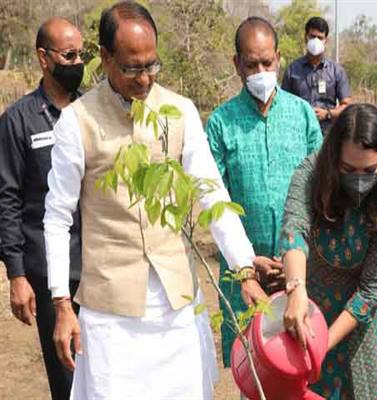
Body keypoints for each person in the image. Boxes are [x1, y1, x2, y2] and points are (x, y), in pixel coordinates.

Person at [43, 2, 261, 399]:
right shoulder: (78, 121)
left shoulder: (179, 112)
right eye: (131, 68)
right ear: (106, 57)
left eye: (152, 66)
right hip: (111, 309)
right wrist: (61, 303)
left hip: (175, 301)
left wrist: (244, 268)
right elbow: (57, 216)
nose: (144, 79)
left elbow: (210, 191)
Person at [281, 104, 377, 399]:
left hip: (370, 313)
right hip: (316, 302)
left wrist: (322, 342)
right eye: (348, 170)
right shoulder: (311, 174)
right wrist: (296, 289)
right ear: (333, 159)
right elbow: (294, 228)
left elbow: (371, 292)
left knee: (370, 388)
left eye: (369, 171)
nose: (359, 179)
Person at [206, 16, 323, 368]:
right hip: (247, 273)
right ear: (237, 64)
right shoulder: (220, 122)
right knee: (256, 370)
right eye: (251, 64)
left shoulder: (302, 115)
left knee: (302, 362)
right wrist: (247, 262)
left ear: (279, 58)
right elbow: (214, 202)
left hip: (302, 269)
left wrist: (295, 258)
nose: (260, 70)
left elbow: (320, 190)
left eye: (267, 62)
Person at [0, 17, 84, 400]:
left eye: (82, 54)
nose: (77, 63)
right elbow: (7, 199)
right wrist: (16, 275)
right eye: (69, 55)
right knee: (67, 378)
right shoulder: (18, 121)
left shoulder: (91, 112)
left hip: (99, 268)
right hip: (51, 273)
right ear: (43, 58)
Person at [282, 16, 352, 134]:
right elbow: (283, 104)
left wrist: (327, 114)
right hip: (299, 134)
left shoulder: (336, 71)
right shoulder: (293, 70)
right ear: (306, 38)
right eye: (312, 36)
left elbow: (347, 106)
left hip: (328, 137)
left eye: (320, 38)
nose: (316, 41)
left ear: (326, 40)